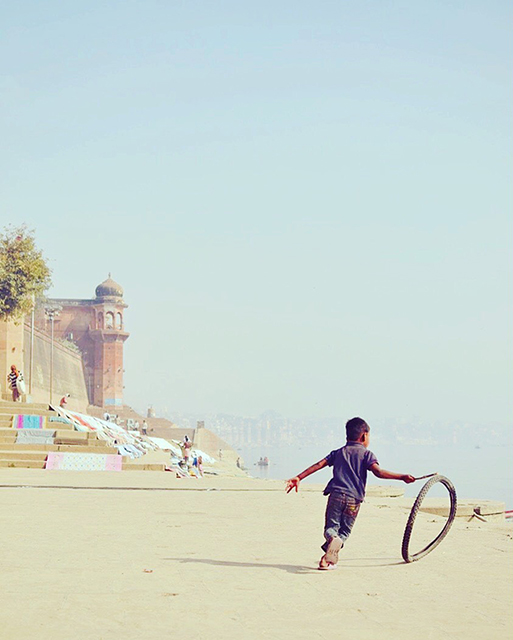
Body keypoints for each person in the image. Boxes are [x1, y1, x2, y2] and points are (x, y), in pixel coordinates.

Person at [286, 417, 415, 571]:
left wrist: (299, 477)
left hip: (336, 495)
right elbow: (378, 472)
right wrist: (401, 477)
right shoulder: (367, 455)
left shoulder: (338, 452)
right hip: (354, 500)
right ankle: (329, 555)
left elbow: (319, 465)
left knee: (331, 528)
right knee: (344, 531)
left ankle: (327, 556)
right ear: (364, 436)